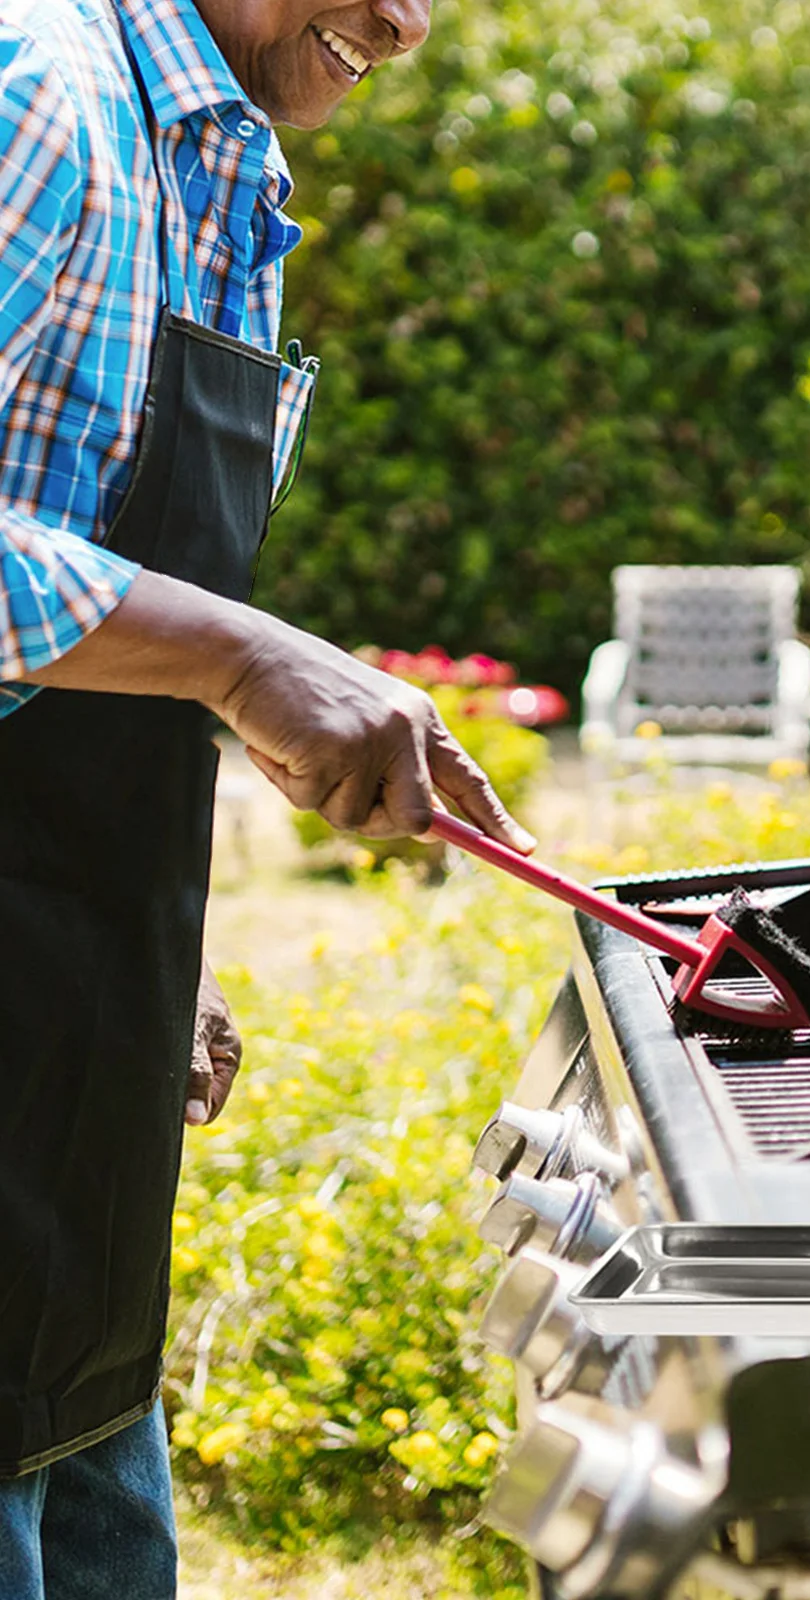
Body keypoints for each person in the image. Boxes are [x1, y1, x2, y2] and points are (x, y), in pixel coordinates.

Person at [0, 0, 530, 1590]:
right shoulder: (37, 91)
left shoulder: (216, 168)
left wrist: (140, 947)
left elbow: (80, 606)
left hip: (58, 1091)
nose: (404, 22)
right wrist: (245, 660)